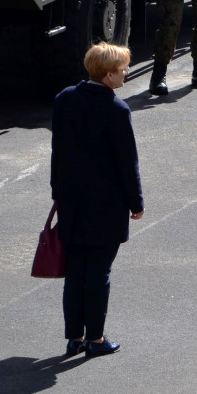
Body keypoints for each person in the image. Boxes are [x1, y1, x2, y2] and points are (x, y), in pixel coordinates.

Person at [51, 42, 145, 358]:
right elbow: (127, 163)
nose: (126, 73)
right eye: (122, 69)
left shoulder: (64, 99)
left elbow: (57, 153)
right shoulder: (116, 110)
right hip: (106, 206)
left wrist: (57, 193)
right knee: (99, 272)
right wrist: (136, 203)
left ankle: (74, 337)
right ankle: (95, 338)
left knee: (76, 271)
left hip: (72, 202)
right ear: (108, 75)